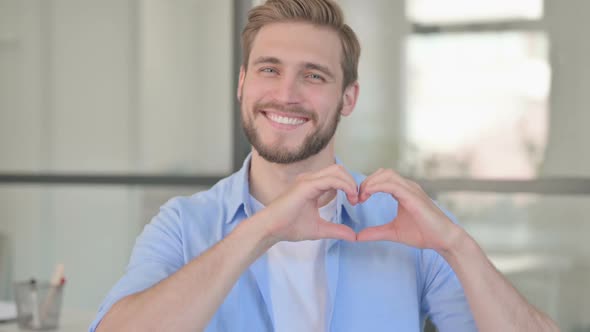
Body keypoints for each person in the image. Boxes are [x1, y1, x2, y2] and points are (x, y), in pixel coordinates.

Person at [90, 0, 560, 331]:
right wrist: (262, 230)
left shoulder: (407, 225)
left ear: (348, 98)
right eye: (268, 69)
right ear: (242, 83)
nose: (286, 94)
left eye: (313, 75)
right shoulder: (182, 225)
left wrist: (458, 246)